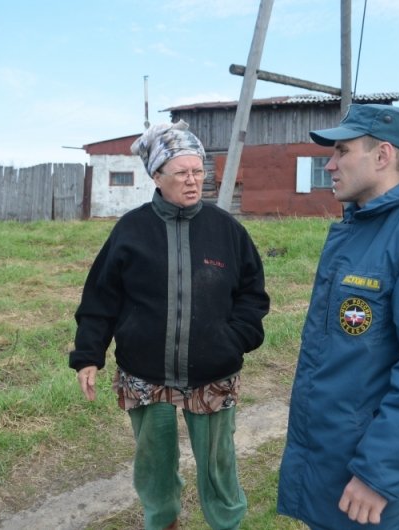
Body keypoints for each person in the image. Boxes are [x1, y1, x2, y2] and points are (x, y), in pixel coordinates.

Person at [277, 104, 399, 529]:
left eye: (342, 151)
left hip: (371, 465)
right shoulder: (360, 227)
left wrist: (378, 473)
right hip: (335, 453)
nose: (330, 164)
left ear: (383, 155)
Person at [69, 121, 270, 530]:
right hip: (146, 373)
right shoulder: (131, 230)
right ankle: (163, 522)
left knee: (218, 464)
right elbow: (101, 297)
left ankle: (226, 523)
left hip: (213, 372)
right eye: (181, 173)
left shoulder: (226, 229)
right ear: (156, 177)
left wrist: (233, 340)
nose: (194, 181)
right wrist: (88, 355)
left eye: (198, 171)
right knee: (154, 464)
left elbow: (253, 294)